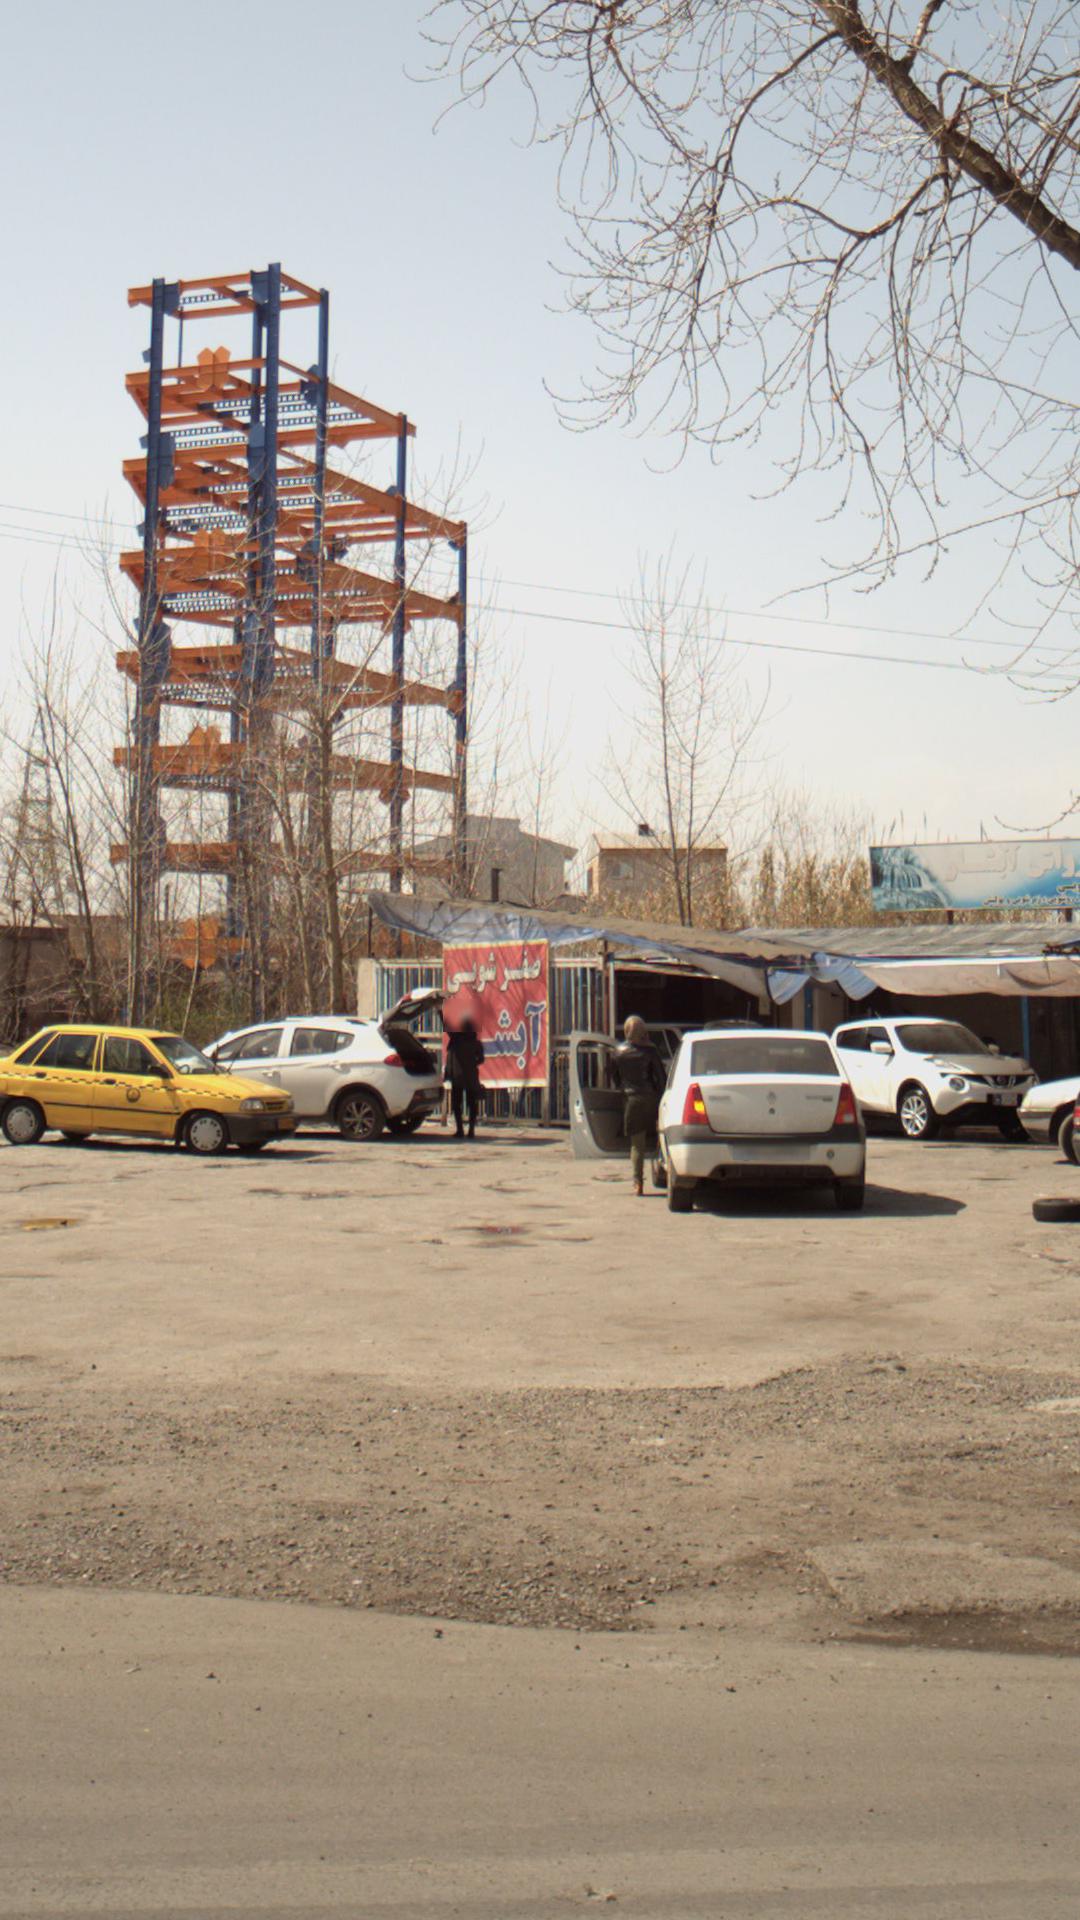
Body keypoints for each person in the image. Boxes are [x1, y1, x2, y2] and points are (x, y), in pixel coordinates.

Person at [613, 1014, 666, 1196]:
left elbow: (615, 1078)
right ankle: (664, 1172)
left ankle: (637, 1182)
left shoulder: (618, 1052)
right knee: (662, 1137)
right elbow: (661, 1078)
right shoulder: (651, 1051)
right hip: (651, 1099)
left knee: (637, 1144)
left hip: (631, 1101)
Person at [445, 1017, 485, 1139]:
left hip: (457, 1077)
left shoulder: (456, 1039)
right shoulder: (476, 1043)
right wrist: (472, 1063)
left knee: (457, 1104)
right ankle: (471, 1131)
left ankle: (460, 1130)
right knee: (472, 1104)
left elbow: (447, 1027)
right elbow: (481, 1059)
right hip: (471, 1077)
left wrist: (440, 1012)